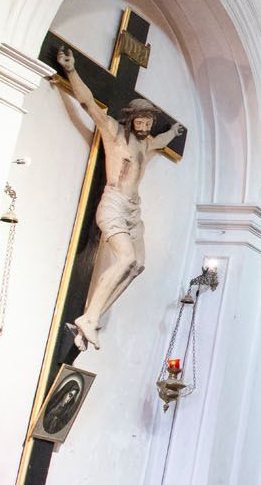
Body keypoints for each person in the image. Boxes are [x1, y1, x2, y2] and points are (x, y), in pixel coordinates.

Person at [55, 45, 186, 351]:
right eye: (141, 119)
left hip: (133, 210)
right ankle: (89, 318)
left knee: (137, 264)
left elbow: (163, 140)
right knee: (125, 258)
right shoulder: (114, 133)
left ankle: (92, 317)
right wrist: (71, 70)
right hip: (113, 203)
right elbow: (88, 104)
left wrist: (175, 130)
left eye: (149, 120)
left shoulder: (147, 145)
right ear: (131, 118)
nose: (146, 124)